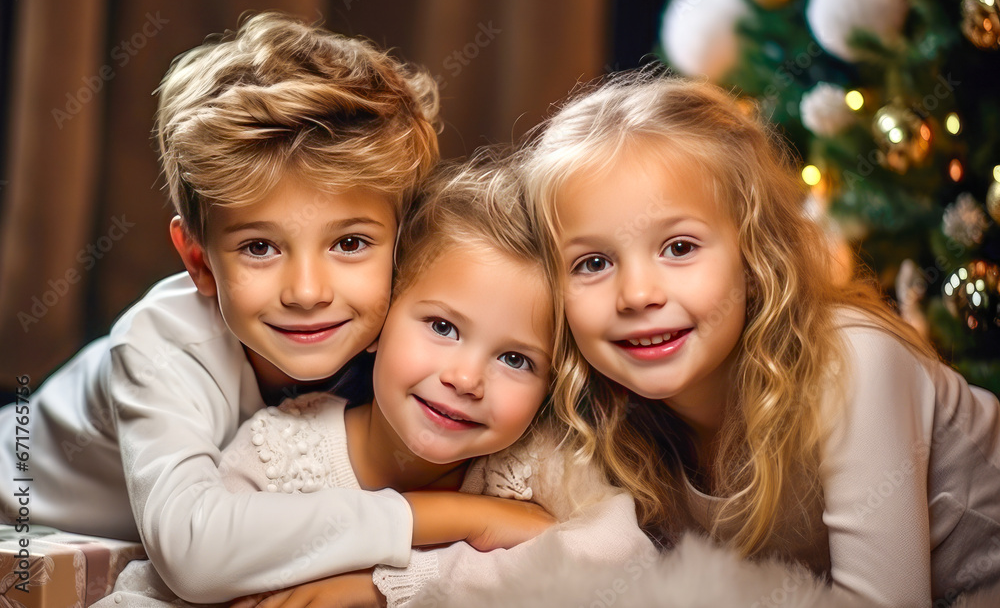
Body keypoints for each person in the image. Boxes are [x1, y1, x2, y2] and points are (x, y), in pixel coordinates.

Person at [0, 12, 540, 604]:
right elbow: (194, 554)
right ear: (200, 261)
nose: (307, 292)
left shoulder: (420, 341)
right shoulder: (158, 341)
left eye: (350, 244)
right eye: (259, 247)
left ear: (403, 248)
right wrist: (453, 517)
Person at [519, 72, 1000, 607]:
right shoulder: (608, 414)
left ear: (754, 256)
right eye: (593, 262)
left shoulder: (852, 362)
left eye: (679, 247)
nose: (636, 294)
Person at [102, 153, 652, 608]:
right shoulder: (278, 451)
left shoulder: (537, 464)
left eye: (516, 360)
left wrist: (392, 585)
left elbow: (629, 558)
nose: (465, 379)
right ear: (379, 320)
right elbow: (163, 584)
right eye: (442, 327)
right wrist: (474, 524)